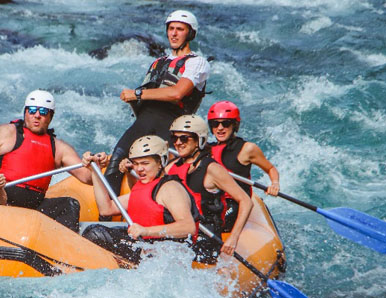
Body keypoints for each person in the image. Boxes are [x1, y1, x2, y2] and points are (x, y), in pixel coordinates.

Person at [104, 9, 212, 197]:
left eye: (180, 29)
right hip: (142, 123)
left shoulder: (197, 63)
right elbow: (143, 102)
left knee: (159, 178)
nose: (174, 33)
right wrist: (134, 99)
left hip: (170, 127)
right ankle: (104, 221)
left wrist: (137, 93)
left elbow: (177, 93)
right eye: (171, 28)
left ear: (190, 33)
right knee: (114, 167)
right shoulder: (157, 63)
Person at [0, 90, 107, 232]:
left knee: (69, 204)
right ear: (25, 112)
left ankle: (62, 249)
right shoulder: (5, 133)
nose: (37, 115)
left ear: (50, 117)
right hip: (0, 198)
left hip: (34, 206)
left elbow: (87, 178)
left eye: (43, 112)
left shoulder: (59, 148)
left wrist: (96, 166)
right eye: (32, 110)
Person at [81, 135, 197, 264]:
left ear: (160, 162)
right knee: (94, 230)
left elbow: (188, 227)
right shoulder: (145, 186)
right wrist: (95, 171)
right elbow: (106, 209)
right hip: (147, 244)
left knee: (97, 234)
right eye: (136, 163)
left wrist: (146, 230)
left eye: (145, 163)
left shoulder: (170, 188)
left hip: (166, 252)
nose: (139, 169)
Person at [165, 114, 252, 263]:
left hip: (205, 237)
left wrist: (233, 238)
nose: (178, 143)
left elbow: (246, 201)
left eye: (184, 138)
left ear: (199, 140)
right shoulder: (173, 166)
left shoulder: (212, 169)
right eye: (175, 138)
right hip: (180, 233)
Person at [207, 101, 280, 231]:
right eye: (215, 124)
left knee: (218, 224)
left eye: (225, 123)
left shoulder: (247, 149)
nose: (220, 128)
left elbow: (270, 168)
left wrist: (274, 184)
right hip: (215, 200)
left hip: (235, 202)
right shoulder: (207, 149)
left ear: (235, 125)